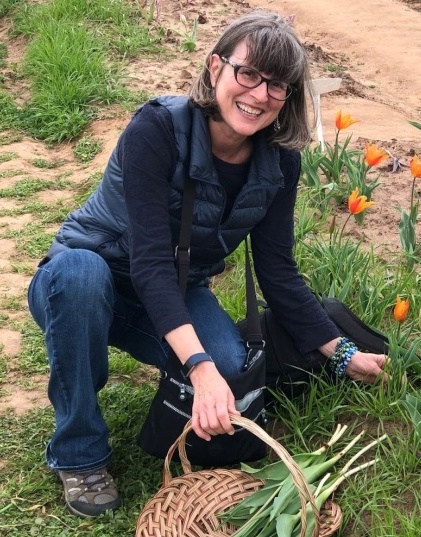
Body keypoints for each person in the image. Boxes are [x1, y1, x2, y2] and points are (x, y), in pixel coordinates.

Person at [27, 9, 386, 518]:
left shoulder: (280, 161)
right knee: (81, 278)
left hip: (173, 291)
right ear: (216, 67)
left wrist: (344, 352)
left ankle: (180, 369)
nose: (260, 94)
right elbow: (150, 261)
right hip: (88, 278)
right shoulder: (158, 129)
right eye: (249, 74)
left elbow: (278, 272)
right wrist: (198, 368)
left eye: (278, 84)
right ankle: (79, 451)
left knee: (231, 364)